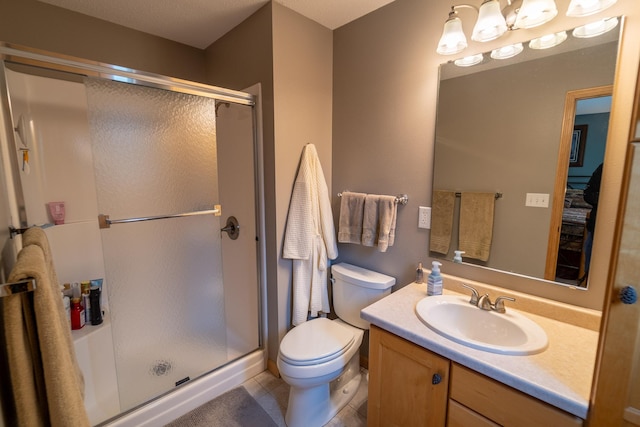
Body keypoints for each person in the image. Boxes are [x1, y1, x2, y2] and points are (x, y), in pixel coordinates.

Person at [579, 163, 603, 285]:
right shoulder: (605, 168)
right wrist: (605, 198)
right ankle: (588, 283)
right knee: (590, 253)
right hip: (598, 222)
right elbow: (588, 194)